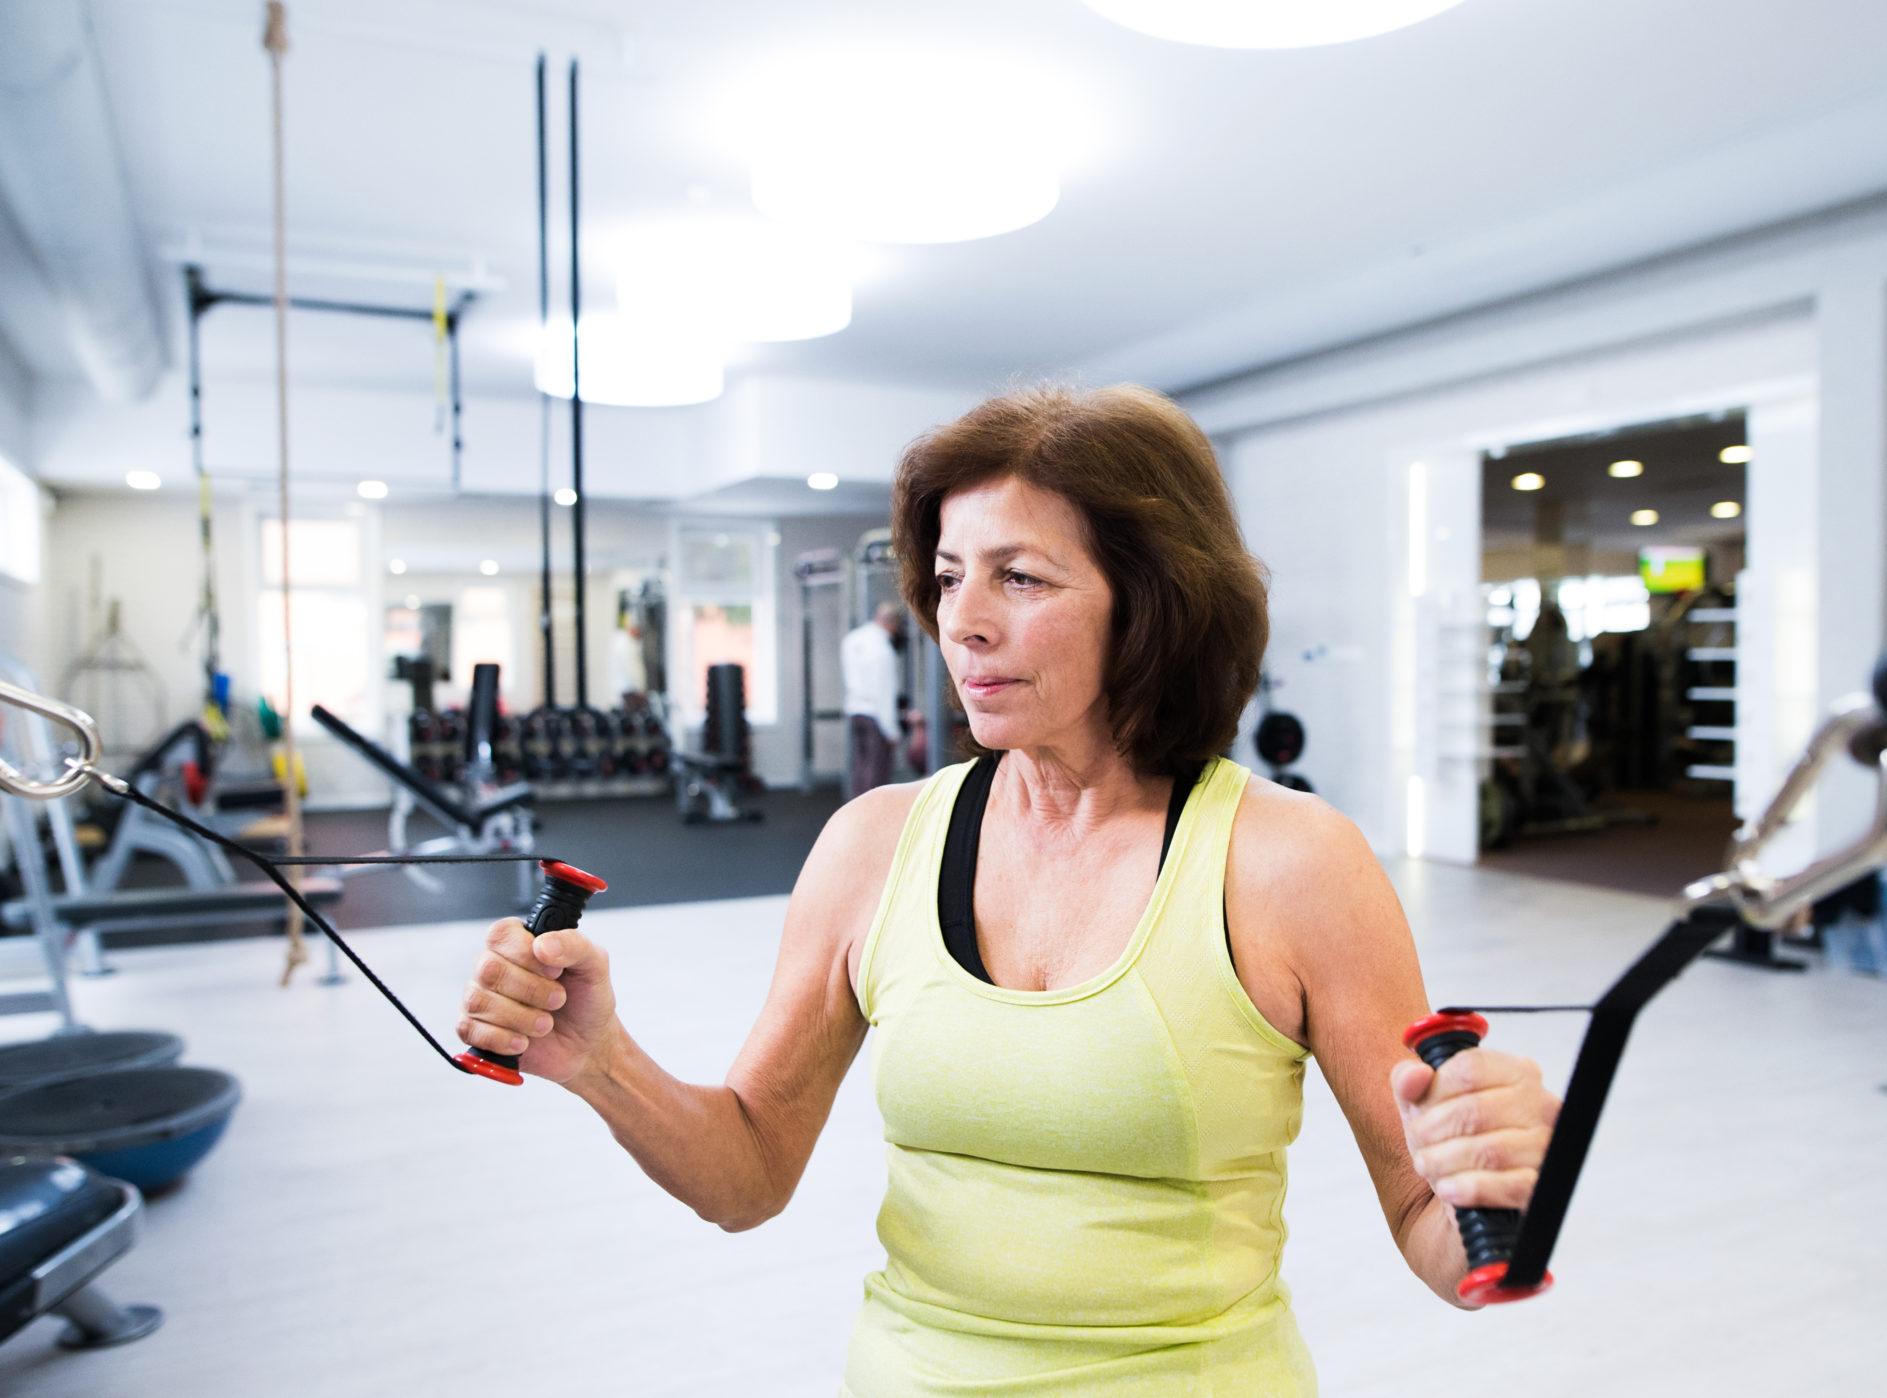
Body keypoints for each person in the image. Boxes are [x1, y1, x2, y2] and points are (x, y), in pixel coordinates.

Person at [456, 385, 1561, 1395]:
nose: (962, 622)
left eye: (1019, 578)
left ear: (1152, 601)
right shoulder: (872, 845)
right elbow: (746, 1175)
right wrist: (600, 1064)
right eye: (947, 578)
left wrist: (1500, 1192)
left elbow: (1434, 1227)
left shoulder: (1290, 865)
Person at [841, 602, 905, 797]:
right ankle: (870, 820)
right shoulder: (882, 651)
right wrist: (892, 730)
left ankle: (857, 816)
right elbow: (883, 693)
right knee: (876, 773)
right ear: (892, 624)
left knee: (861, 767)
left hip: (855, 711)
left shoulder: (853, 639)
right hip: (875, 716)